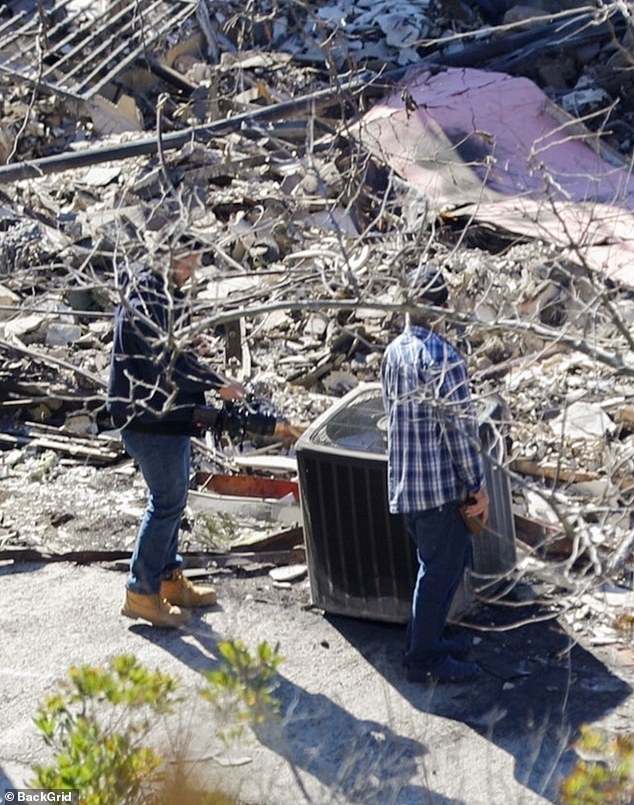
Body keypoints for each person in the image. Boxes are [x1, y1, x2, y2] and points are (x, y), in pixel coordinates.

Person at [107, 252, 245, 628]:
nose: (192, 271)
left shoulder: (161, 293)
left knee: (174, 497)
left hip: (167, 418)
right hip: (149, 420)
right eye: (189, 262)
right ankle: (140, 591)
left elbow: (177, 356)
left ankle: (168, 579)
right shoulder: (147, 298)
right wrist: (217, 384)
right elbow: (166, 362)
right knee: (166, 503)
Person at [380, 266, 489, 683]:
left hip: (405, 484)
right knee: (439, 571)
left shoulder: (394, 353)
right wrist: (477, 484)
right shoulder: (444, 357)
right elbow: (460, 430)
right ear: (440, 309)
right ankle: (423, 657)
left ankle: (428, 640)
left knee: (439, 567)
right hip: (441, 491)